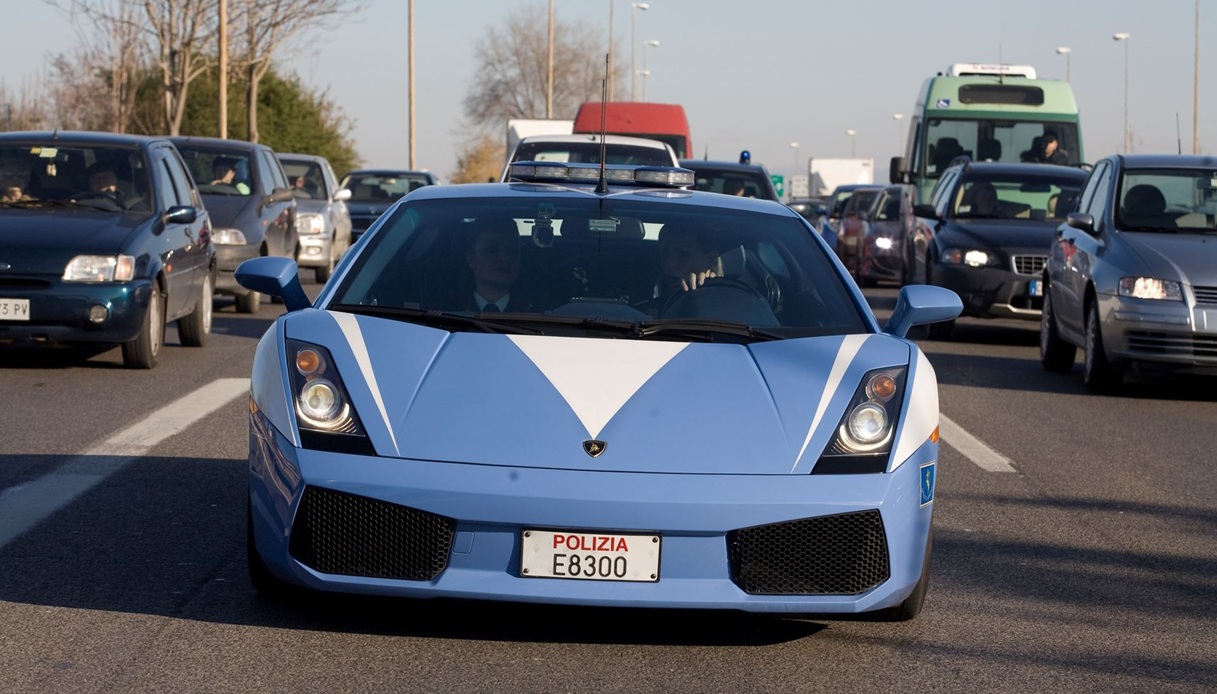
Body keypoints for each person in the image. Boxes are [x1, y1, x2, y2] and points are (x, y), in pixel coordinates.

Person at [465, 220, 526, 312]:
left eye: (512, 250)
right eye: (491, 250)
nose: (504, 258)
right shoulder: (444, 312)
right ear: (471, 260)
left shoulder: (542, 313)